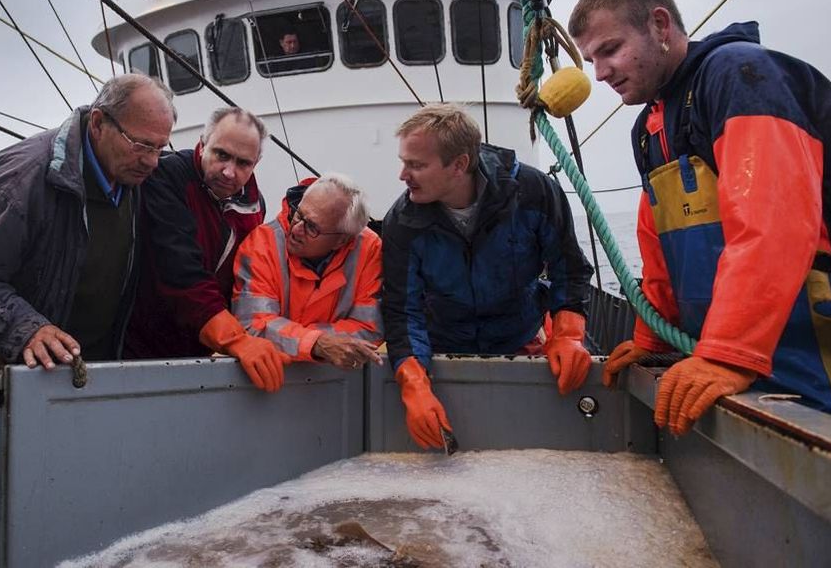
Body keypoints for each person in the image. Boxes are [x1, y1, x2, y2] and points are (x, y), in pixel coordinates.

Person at [568, 0, 831, 435]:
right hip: (751, 362)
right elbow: (660, 244)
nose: (600, 72)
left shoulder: (740, 76)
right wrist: (653, 337)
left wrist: (727, 352)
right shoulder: (649, 126)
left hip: (814, 355)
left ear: (659, 25)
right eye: (592, 59)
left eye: (609, 49)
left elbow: (774, 222)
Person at [0, 74, 175, 368]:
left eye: (160, 148)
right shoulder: (20, 181)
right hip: (9, 383)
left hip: (92, 378)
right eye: (141, 145)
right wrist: (26, 328)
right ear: (98, 123)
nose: (152, 161)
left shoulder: (135, 176)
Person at [382, 104, 595, 450]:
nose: (403, 175)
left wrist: (569, 335)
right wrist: (414, 385)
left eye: (416, 165)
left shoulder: (533, 191)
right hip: (443, 346)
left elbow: (568, 269)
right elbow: (402, 310)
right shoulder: (402, 222)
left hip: (522, 335)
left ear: (459, 165)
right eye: (404, 162)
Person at [124, 106, 290, 392]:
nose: (229, 171)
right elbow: (180, 271)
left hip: (202, 347)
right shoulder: (166, 177)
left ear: (256, 163)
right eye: (221, 155)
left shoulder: (253, 205)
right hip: (139, 345)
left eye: (243, 163)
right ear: (202, 144)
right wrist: (237, 341)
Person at [233, 173, 384, 370]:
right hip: (268, 383)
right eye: (298, 214)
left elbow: (370, 329)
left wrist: (298, 340)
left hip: (336, 386)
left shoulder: (370, 250)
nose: (296, 229)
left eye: (312, 227)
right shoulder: (261, 245)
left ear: (342, 240)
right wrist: (317, 343)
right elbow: (253, 325)